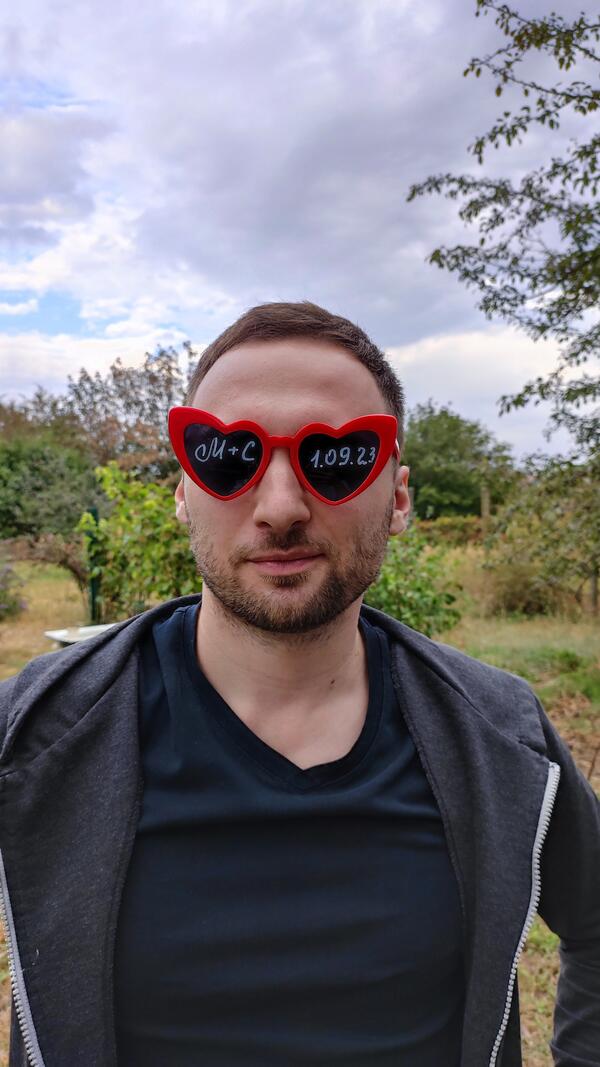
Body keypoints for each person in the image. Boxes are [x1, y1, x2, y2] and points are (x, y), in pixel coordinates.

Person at [0, 301, 598, 1067]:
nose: (280, 507)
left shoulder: (499, 733)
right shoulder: (34, 733)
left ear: (399, 499)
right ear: (184, 490)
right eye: (228, 455)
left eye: (337, 458)